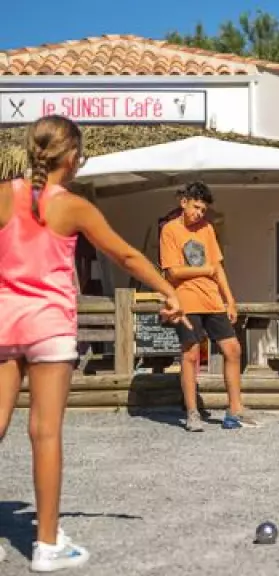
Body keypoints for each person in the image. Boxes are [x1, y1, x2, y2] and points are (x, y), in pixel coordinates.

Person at [0, 115, 186, 572]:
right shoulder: (73, 206)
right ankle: (47, 546)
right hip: (50, 328)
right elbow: (124, 254)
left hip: (4, 325)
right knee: (45, 433)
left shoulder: (3, 195)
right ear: (71, 157)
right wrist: (168, 290)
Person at [159, 181, 258, 432]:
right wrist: (205, 270)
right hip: (186, 300)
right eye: (196, 207)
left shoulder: (207, 229)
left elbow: (218, 267)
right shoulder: (170, 230)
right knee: (191, 354)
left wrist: (230, 299)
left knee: (232, 349)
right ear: (184, 203)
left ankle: (235, 408)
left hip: (212, 300)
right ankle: (192, 412)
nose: (199, 213)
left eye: (203, 209)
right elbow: (173, 272)